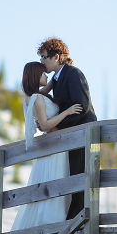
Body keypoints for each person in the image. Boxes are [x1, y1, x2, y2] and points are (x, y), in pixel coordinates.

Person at [10, 62, 83, 231]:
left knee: (49, 184)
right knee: (54, 182)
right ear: (36, 75)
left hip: (52, 146)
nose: (46, 76)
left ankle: (50, 223)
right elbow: (45, 124)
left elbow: (43, 92)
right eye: (43, 74)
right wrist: (67, 111)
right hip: (54, 145)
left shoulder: (32, 97)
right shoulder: (38, 98)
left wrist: (58, 75)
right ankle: (50, 224)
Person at [37, 37, 98, 219]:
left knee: (81, 179)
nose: (42, 62)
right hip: (71, 136)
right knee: (73, 178)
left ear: (56, 57)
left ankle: (77, 223)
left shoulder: (72, 73)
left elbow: (82, 107)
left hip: (82, 135)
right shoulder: (57, 79)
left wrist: (57, 126)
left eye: (44, 57)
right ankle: (72, 222)